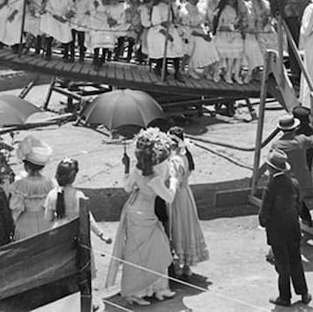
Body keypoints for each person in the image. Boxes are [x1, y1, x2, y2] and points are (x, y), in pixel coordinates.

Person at [106, 127, 177, 306]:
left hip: (134, 211)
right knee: (155, 251)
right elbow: (169, 197)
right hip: (146, 215)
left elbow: (127, 188)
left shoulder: (137, 170)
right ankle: (138, 291)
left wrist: (126, 166)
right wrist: (174, 182)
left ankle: (156, 289)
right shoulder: (156, 178)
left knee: (139, 252)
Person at [259, 150, 311, 307]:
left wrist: (264, 223)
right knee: (296, 260)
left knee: (282, 265)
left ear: (271, 168)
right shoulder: (294, 183)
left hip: (277, 232)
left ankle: (284, 297)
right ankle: (303, 293)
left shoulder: (271, 187)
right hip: (293, 229)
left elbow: (264, 212)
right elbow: (299, 206)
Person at [167, 127, 208, 277]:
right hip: (186, 194)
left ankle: (179, 264)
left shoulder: (175, 161)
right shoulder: (185, 157)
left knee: (177, 226)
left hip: (177, 196)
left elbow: (175, 181)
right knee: (187, 226)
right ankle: (186, 265)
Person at [43, 158, 111, 248]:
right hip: (76, 237)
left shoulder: (51, 195)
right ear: (73, 177)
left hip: (58, 237)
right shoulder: (79, 195)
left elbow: (48, 218)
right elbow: (88, 218)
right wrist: (101, 234)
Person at [271, 113, 313, 226]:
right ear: (295, 128)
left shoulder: (276, 145)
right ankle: (305, 220)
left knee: (292, 204)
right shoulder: (301, 140)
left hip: (287, 180)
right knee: (297, 201)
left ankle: (299, 223)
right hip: (303, 180)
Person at [268, 0, 309, 84]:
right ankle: (302, 70)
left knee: (292, 41)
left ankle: (296, 73)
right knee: (301, 39)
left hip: (288, 9)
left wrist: (275, 9)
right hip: (302, 8)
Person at [9, 135, 54, 241]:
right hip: (45, 222)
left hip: (26, 223)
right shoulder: (49, 183)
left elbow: (15, 208)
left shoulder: (20, 185)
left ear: (26, 166)